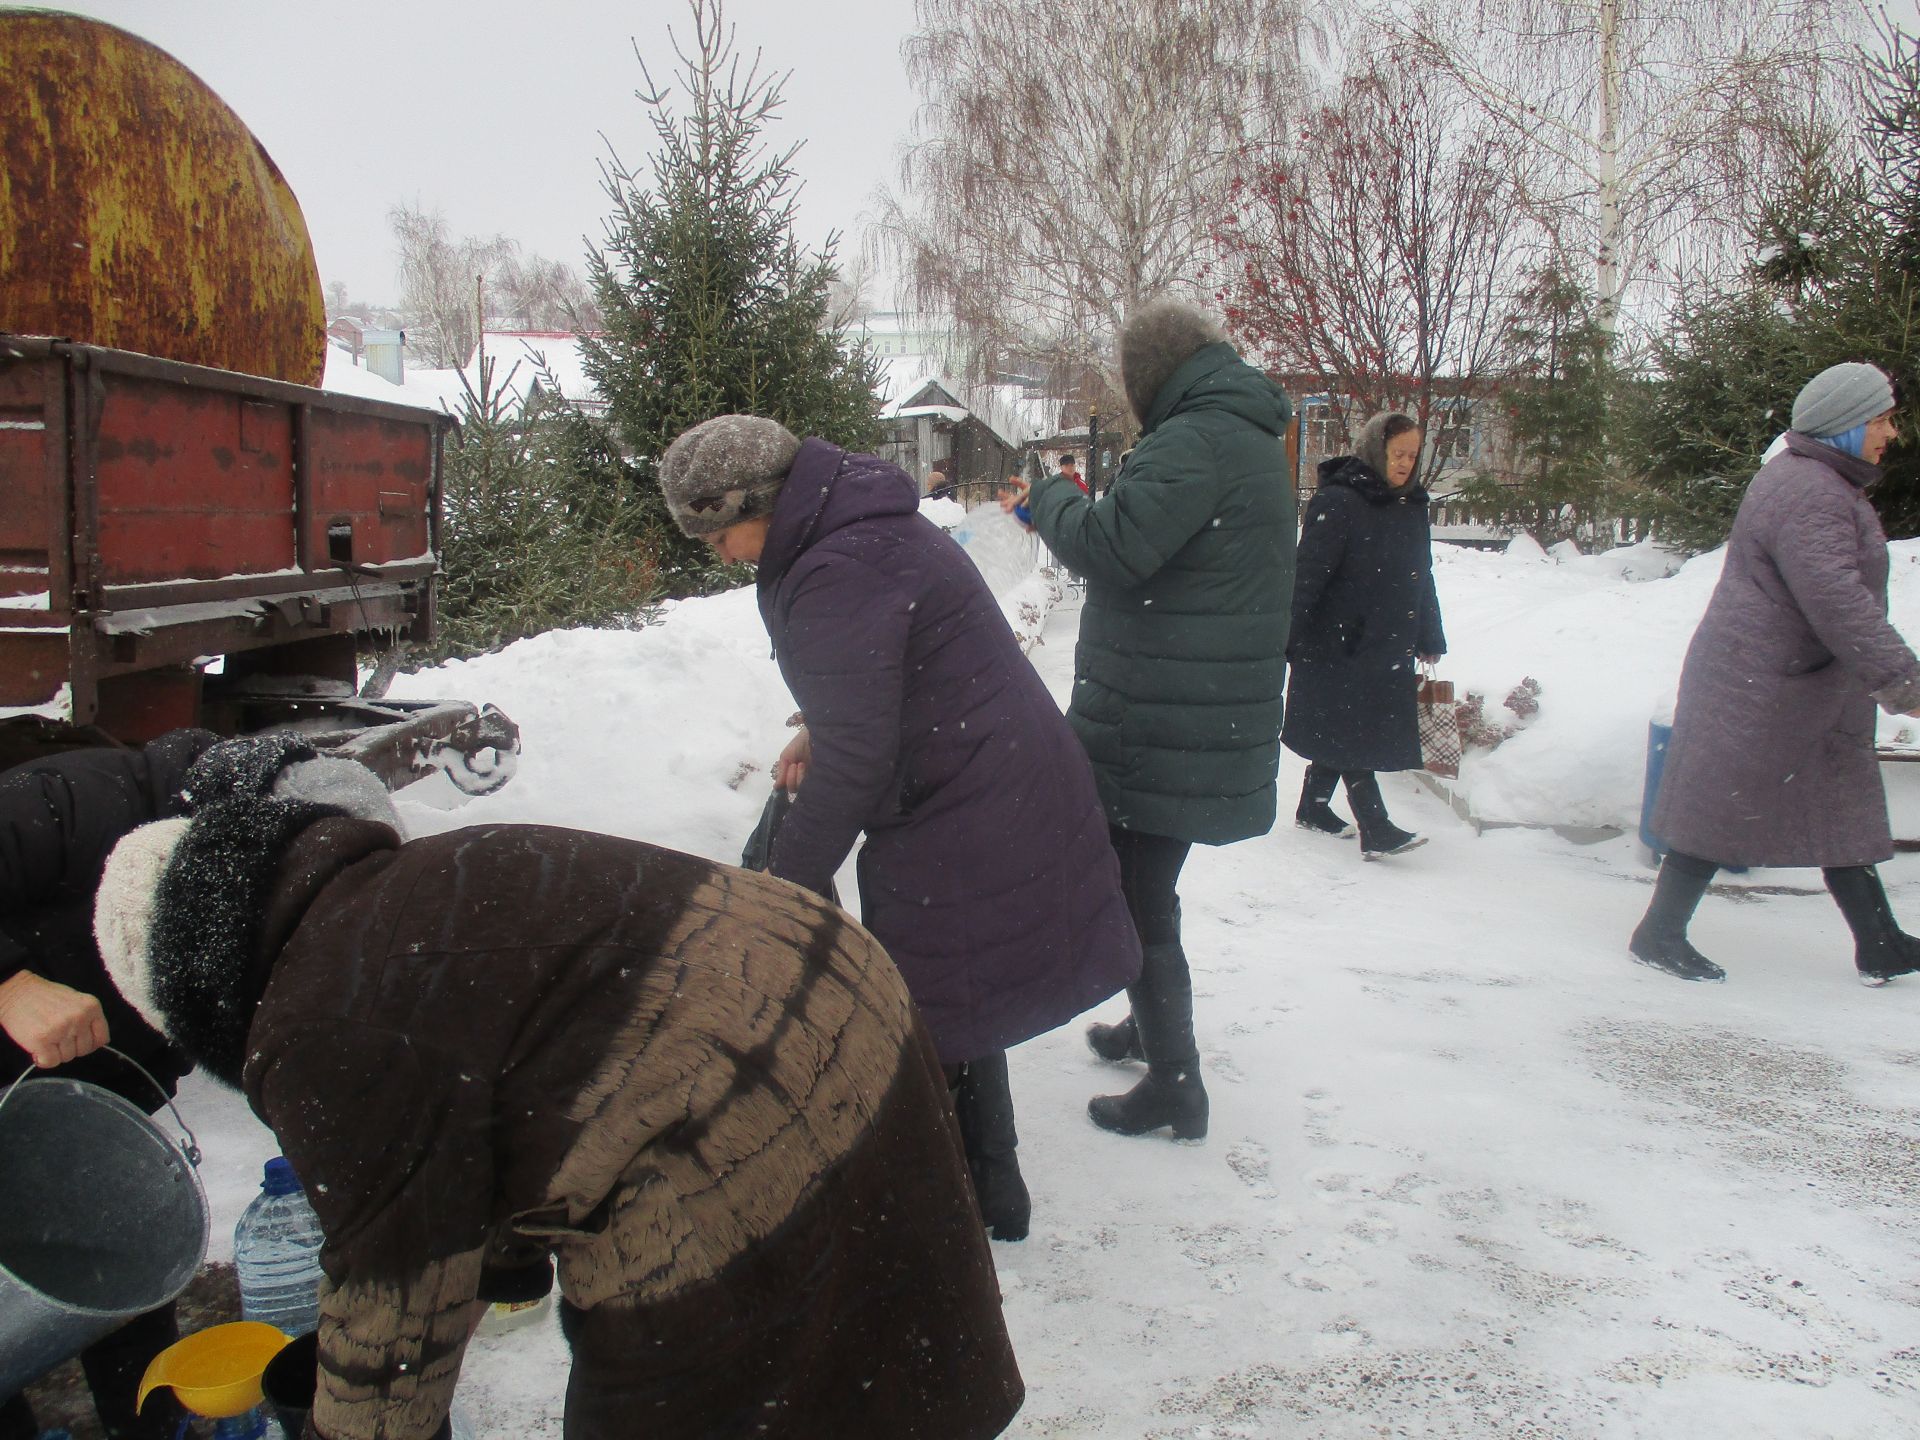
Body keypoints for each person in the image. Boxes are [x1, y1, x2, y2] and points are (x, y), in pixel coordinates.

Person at [93, 790, 1027, 1440]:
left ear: (190, 989)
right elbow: (492, 1077)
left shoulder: (314, 1027)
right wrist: (507, 1258)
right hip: (834, 987)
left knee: (691, 1391)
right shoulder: (403, 881)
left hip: (734, 1092)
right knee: (874, 1331)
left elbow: (393, 1291)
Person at [658, 414, 1139, 1238]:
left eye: (719, 533)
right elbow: (887, 670)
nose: (720, 554)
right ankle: (990, 1190)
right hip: (983, 770)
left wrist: (790, 886)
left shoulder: (835, 563)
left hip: (968, 791)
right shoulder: (853, 528)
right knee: (951, 992)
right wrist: (826, 723)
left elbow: (856, 761)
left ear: (760, 503)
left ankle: (945, 1206)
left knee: (923, 1007)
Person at [0, 730, 391, 1440]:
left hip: (83, 1092)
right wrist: (9, 984)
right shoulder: (76, 799)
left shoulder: (221, 887)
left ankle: (151, 1424)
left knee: (116, 1260)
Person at [1005, 297, 1295, 1142]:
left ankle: (1177, 1083)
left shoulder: (1194, 440)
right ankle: (1148, 1026)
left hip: (1164, 717)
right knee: (1147, 887)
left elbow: (1110, 549)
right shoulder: (1237, 434)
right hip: (1195, 710)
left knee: (1137, 897)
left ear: (1151, 379)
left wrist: (1053, 495)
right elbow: (1153, 539)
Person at [1635, 361, 1920, 985]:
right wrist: (1904, 679)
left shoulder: (1822, 481)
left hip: (1803, 681)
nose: (1891, 433)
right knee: (1723, 804)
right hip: (1761, 684)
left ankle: (1880, 941)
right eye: (1882, 420)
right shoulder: (1809, 490)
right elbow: (1836, 598)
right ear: (1845, 426)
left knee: (1839, 802)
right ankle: (1658, 932)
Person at [1282, 412, 1446, 860]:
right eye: (1398, 454)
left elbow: (1421, 576)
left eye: (1412, 456)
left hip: (1388, 642)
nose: (1405, 464)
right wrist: (1286, 637)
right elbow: (1308, 575)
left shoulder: (1411, 505)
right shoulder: (1340, 500)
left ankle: (1313, 808)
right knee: (1354, 731)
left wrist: (1430, 634)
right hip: (1338, 641)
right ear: (1377, 449)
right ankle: (1375, 825)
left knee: (1348, 729)